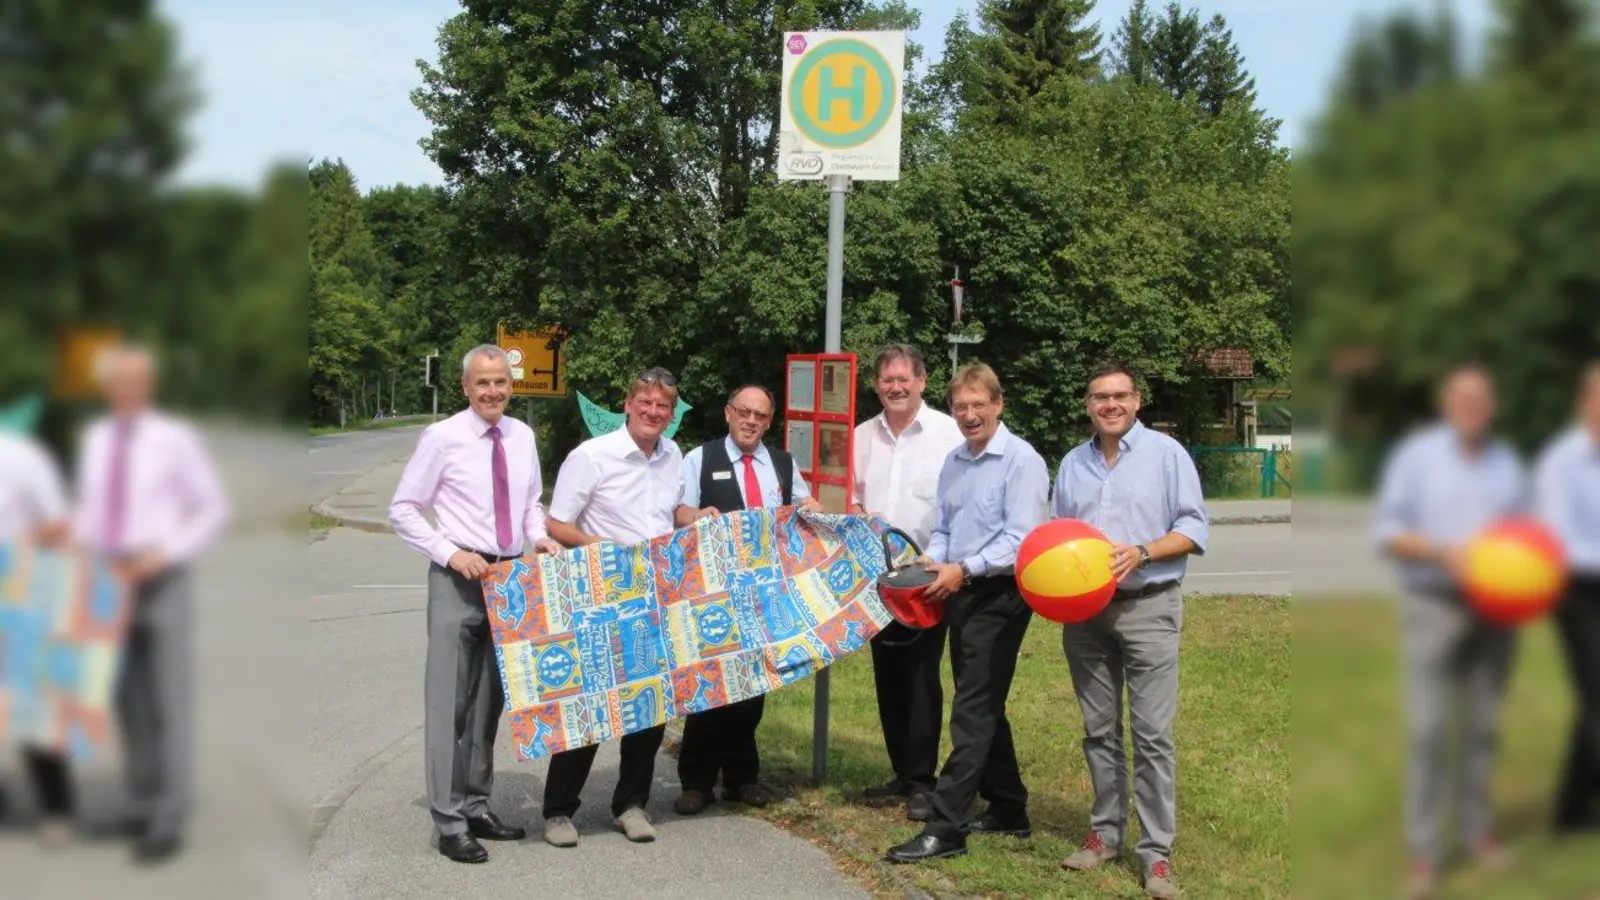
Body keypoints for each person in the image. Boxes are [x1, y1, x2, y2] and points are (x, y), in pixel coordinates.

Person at [390, 344, 563, 864]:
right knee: (450, 704)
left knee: (490, 702)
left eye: (500, 383)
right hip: (458, 579)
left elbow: (531, 503)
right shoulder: (441, 438)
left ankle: (476, 803)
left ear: (512, 385)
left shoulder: (522, 435)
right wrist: (450, 552)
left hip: (509, 579)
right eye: (482, 383)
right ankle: (448, 821)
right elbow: (403, 509)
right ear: (465, 387)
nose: (492, 392)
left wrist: (540, 539)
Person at [1051, 364, 1208, 900]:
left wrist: (1142, 551)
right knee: (1099, 730)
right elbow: (1059, 538)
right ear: (1088, 404)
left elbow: (1192, 527)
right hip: (1087, 615)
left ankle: (1156, 855)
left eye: (1120, 395)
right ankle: (1105, 835)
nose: (1110, 404)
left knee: (1152, 735)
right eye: (1100, 396)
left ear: (1137, 401)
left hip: (1149, 605)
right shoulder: (1073, 463)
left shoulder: (1168, 456)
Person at [1371, 363, 1525, 899]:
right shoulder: (1417, 457)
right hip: (1432, 602)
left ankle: (1476, 830)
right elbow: (1389, 531)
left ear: (1492, 407)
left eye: (1481, 400)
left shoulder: (1506, 461)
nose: (1472, 409)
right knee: (1430, 731)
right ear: (1446, 403)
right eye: (1462, 399)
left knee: (1483, 726)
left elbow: (1523, 532)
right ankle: (1424, 853)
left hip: (1496, 610)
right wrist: (1444, 552)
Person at [885, 363, 1049, 863]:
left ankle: (947, 826)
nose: (970, 414)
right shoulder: (955, 459)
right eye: (961, 407)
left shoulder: (1023, 461)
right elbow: (944, 527)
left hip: (1000, 594)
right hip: (959, 589)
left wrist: (964, 568)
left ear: (999, 405)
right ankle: (1008, 808)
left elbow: (1021, 540)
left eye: (980, 405)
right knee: (982, 699)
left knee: (972, 708)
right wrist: (933, 559)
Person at [72, 345, 230, 864]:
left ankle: (167, 816)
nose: (126, 391)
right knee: (126, 698)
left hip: (161, 578)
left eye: (135, 381)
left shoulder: (173, 440)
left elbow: (210, 508)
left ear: (149, 386)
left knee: (167, 699)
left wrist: (166, 554)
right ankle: (141, 801)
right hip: (106, 579)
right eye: (117, 382)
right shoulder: (95, 439)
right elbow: (93, 509)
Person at [540, 366, 685, 848]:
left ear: (671, 412)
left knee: (647, 704)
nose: (653, 412)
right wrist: (594, 543)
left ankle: (631, 804)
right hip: (599, 596)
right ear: (627, 404)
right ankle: (559, 811)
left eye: (662, 406)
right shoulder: (591, 456)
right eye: (645, 403)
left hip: (654, 596)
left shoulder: (673, 456)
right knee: (588, 704)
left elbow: (671, 512)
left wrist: (695, 517)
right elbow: (557, 524)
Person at [671, 384, 821, 815]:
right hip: (711, 594)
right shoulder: (699, 459)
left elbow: (804, 509)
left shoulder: (783, 464)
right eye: (744, 412)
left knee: (752, 688)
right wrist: (696, 516)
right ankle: (696, 782)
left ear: (769, 421)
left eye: (760, 415)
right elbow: (678, 512)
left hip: (763, 596)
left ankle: (742, 778)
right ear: (728, 413)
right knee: (708, 687)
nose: (751, 420)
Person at [848, 344, 963, 820]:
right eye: (887, 380)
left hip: (929, 575)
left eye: (904, 379)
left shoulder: (949, 432)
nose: (895, 387)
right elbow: (849, 497)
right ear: (877, 385)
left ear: (922, 381)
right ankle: (902, 771)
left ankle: (922, 778)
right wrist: (857, 516)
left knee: (920, 677)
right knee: (888, 675)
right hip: (876, 578)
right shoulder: (860, 436)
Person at [0, 424, 76, 846]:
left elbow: (58, 525)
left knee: (32, 708)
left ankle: (57, 808)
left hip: (19, 593)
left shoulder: (20, 457)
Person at [1534, 362, 1600, 835]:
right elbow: (1557, 541)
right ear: (1585, 403)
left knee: (1593, 701)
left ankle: (1572, 809)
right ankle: (1574, 810)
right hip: (1575, 590)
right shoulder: (1563, 459)